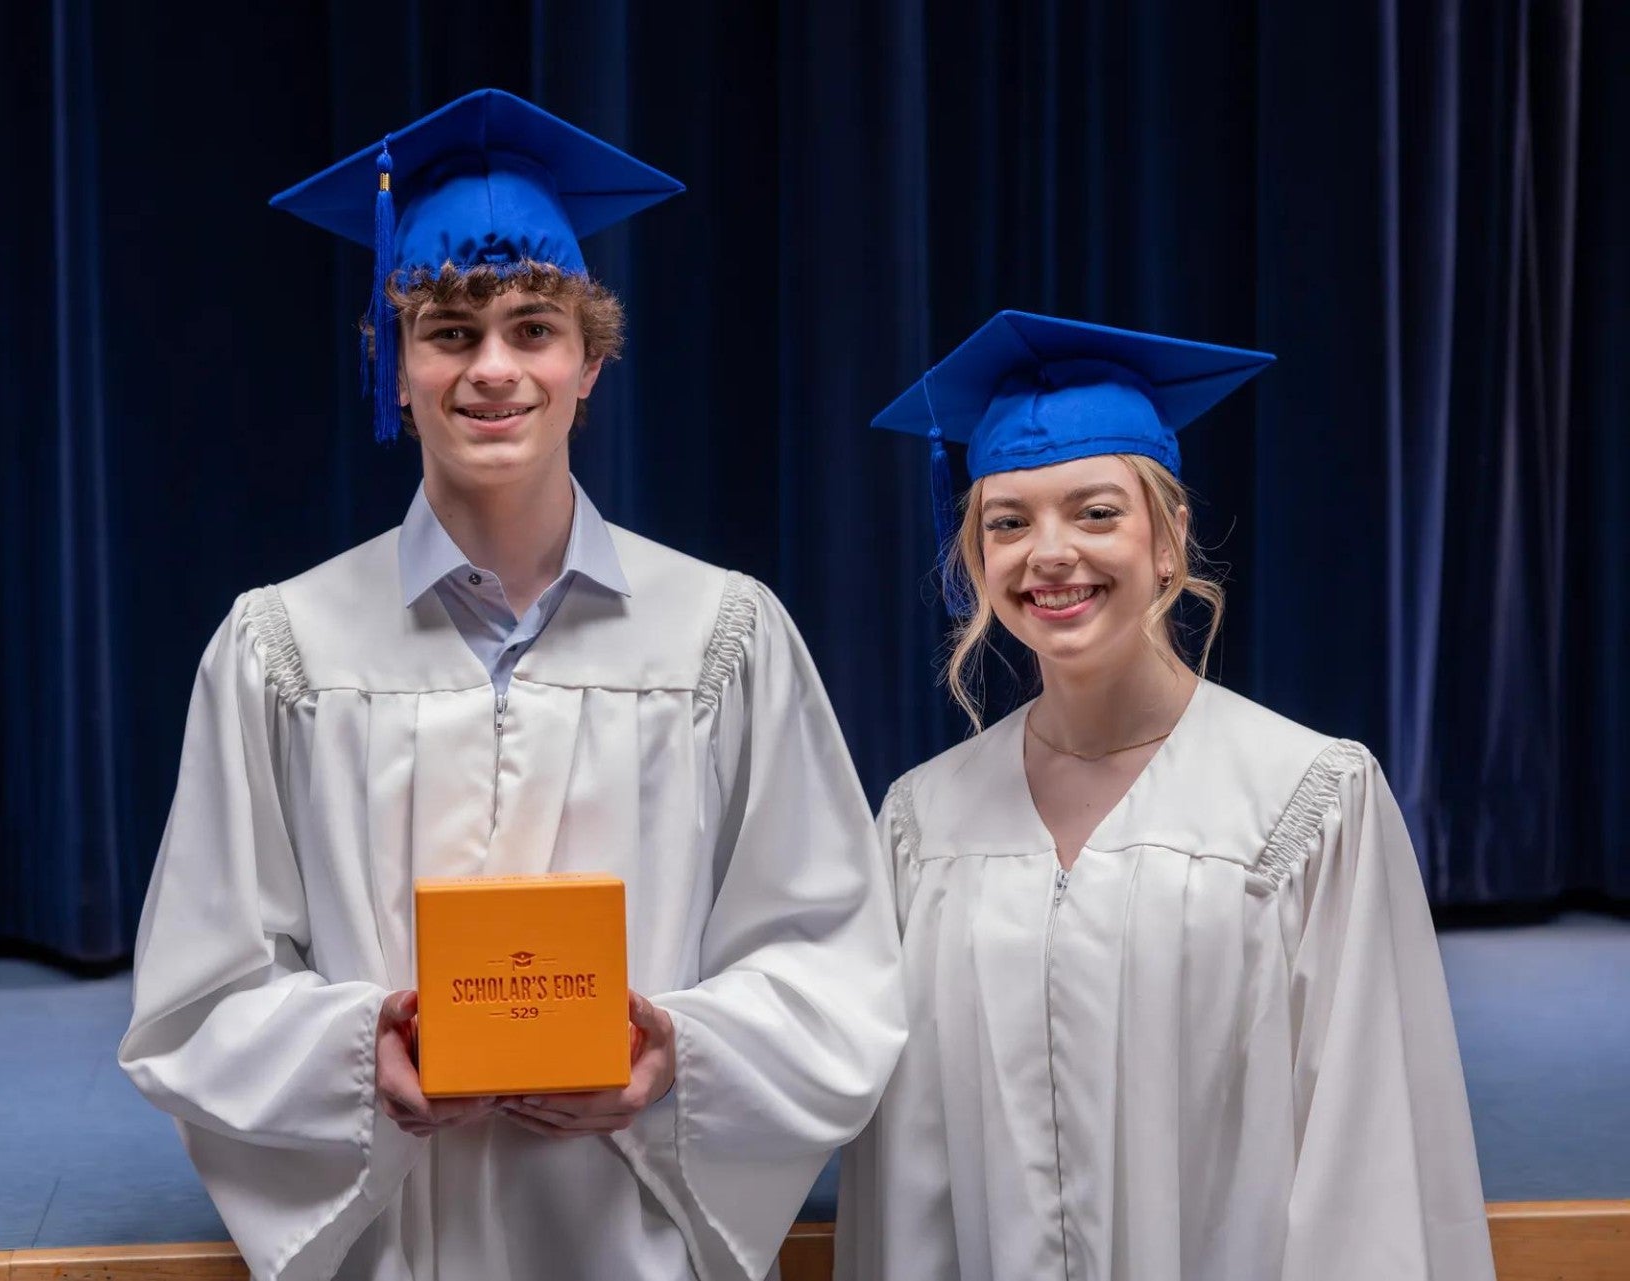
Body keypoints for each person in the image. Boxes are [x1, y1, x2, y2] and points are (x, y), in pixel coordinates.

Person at [119, 89, 904, 1281]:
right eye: (448, 331)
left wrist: (676, 1054)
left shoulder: (720, 638)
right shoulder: (282, 649)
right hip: (395, 1240)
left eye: (535, 329)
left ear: (591, 364)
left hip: (628, 1236)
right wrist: (353, 1055)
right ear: (394, 368)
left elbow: (833, 957)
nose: (493, 368)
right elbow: (199, 990)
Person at [835, 311, 1495, 1280]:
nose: (1049, 552)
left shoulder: (1304, 802)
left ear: (1170, 538)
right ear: (975, 558)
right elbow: (904, 1173)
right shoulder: (924, 823)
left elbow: (1368, 1150)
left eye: (1096, 512)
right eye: (1008, 522)